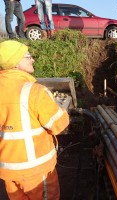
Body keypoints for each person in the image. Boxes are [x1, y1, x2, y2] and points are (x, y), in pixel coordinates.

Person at [0, 40, 70, 199]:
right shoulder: (34, 91)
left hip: (7, 170)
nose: (33, 60)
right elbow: (58, 125)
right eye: (28, 57)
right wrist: (61, 111)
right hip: (36, 171)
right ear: (15, 63)